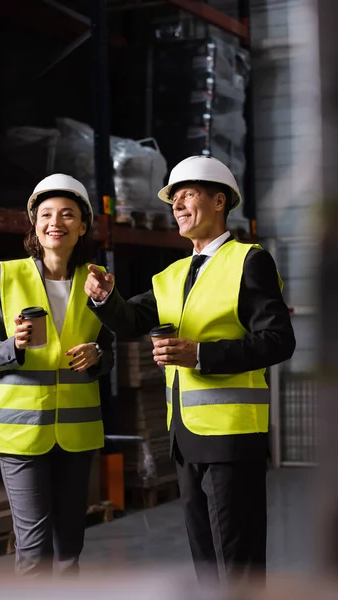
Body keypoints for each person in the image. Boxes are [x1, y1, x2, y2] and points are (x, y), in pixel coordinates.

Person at [84, 156, 296, 585]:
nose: (178, 205)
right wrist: (106, 299)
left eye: (188, 195)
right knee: (205, 560)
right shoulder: (170, 276)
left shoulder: (248, 261)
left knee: (238, 559)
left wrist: (200, 355)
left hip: (232, 437)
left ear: (220, 201)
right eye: (174, 199)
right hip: (184, 435)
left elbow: (279, 340)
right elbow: (129, 321)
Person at [0, 173, 114, 576]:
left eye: (68, 214)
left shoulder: (96, 280)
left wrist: (97, 354)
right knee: (34, 550)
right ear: (35, 225)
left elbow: (109, 354)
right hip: (21, 432)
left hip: (77, 433)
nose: (56, 222)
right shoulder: (8, 274)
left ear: (83, 225)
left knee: (70, 548)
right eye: (47, 214)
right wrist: (15, 346)